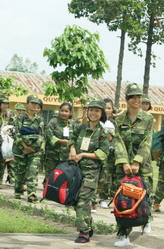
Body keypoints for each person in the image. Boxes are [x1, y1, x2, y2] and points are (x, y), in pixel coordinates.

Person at [113, 83, 154, 247]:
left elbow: (147, 142)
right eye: (133, 97)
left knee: (144, 195)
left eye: (139, 97)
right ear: (127, 99)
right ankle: (123, 234)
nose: (137, 100)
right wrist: (124, 162)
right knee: (123, 198)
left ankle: (146, 219)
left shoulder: (148, 118)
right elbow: (118, 141)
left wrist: (137, 161)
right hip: (122, 166)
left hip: (142, 165)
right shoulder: (118, 119)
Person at [68, 98, 109, 243]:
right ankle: (88, 225)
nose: (93, 113)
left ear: (101, 113)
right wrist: (72, 149)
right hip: (76, 170)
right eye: (91, 110)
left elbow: (103, 153)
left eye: (97, 111)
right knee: (73, 199)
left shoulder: (103, 133)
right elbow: (72, 139)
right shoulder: (81, 128)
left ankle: (83, 233)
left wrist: (83, 154)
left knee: (83, 201)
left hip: (91, 172)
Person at [13, 95, 45, 202]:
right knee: (20, 172)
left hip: (35, 151)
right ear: (27, 104)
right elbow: (17, 134)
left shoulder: (39, 119)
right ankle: (18, 191)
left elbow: (41, 136)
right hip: (21, 150)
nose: (34, 106)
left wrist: (32, 148)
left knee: (33, 170)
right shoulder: (20, 117)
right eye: (32, 103)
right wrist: (25, 147)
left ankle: (32, 193)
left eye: (36, 104)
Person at [94, 98, 117, 210]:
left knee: (110, 178)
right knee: (100, 177)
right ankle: (96, 198)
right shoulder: (97, 122)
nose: (107, 110)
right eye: (105, 108)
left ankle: (106, 198)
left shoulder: (114, 123)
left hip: (112, 154)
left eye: (109, 108)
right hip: (99, 153)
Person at [43, 102, 74, 185]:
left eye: (66, 111)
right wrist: (61, 141)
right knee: (50, 174)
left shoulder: (72, 124)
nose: (64, 113)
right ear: (59, 111)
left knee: (61, 176)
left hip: (65, 156)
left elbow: (75, 137)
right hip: (52, 155)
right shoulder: (54, 121)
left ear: (70, 112)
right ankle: (47, 191)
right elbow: (48, 135)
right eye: (62, 111)